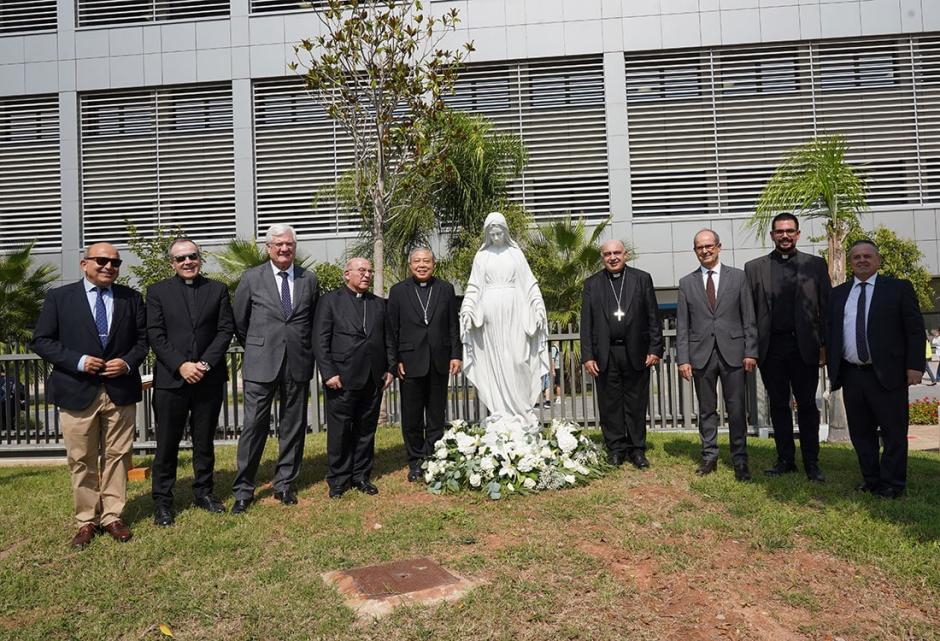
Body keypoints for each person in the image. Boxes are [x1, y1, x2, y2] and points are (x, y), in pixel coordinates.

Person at [31, 243, 148, 548]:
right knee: (81, 458)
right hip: (76, 390)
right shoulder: (60, 298)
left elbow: (143, 341)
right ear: (84, 264)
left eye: (115, 262)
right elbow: (41, 340)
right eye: (101, 260)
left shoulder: (131, 298)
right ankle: (86, 520)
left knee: (118, 456)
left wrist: (127, 362)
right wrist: (79, 361)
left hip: (120, 390)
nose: (109, 266)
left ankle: (112, 516)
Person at [230, 224, 319, 513]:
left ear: (294, 247)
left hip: (297, 362)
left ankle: (284, 484)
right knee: (254, 426)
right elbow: (240, 322)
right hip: (261, 363)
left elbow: (313, 320)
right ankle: (244, 489)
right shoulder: (251, 277)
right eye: (278, 244)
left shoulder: (309, 280)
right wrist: (258, 346)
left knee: (292, 427)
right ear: (268, 247)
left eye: (289, 245)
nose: (284, 249)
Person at [826, 240, 924, 499]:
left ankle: (892, 484)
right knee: (861, 433)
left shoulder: (898, 289)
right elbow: (831, 331)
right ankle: (871, 479)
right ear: (850, 262)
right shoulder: (838, 294)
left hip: (888, 374)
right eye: (856, 257)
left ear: (878, 260)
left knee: (893, 433)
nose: (861, 260)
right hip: (852, 375)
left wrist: (915, 366)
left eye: (867, 256)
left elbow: (914, 330)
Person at [146, 238, 234, 526]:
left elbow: (224, 331)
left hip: (208, 379)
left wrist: (204, 365)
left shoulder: (217, 289)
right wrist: (181, 365)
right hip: (172, 380)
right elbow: (155, 334)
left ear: (200, 258)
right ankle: (163, 501)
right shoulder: (157, 291)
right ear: (172, 263)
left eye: (192, 256)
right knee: (167, 444)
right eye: (181, 258)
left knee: (204, 440)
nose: (187, 262)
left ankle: (204, 492)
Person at [744, 212, 830, 482]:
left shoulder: (815, 265)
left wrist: (825, 345)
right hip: (771, 348)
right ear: (772, 235)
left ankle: (812, 462)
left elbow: (825, 308)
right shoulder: (754, 268)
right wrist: (751, 348)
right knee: (778, 405)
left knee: (806, 405)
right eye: (779, 231)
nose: (784, 235)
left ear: (798, 234)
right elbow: (749, 313)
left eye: (789, 231)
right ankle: (785, 460)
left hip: (804, 347)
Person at [676, 230, 758, 481]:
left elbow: (749, 317)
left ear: (719, 247)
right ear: (695, 251)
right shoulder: (686, 283)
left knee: (736, 409)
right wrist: (683, 359)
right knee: (706, 409)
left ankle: (740, 458)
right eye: (700, 247)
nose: (705, 250)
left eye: (709, 246)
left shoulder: (739, 277)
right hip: (701, 355)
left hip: (734, 354)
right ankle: (709, 455)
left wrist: (750, 351)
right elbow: (682, 325)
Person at [314, 258, 394, 498]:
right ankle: (338, 479)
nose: (367, 275)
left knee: (366, 430)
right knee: (340, 431)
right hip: (341, 377)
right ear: (347, 274)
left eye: (370, 271)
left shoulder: (378, 304)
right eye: (362, 271)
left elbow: (388, 339)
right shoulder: (330, 301)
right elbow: (320, 340)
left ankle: (361, 475)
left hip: (373, 377)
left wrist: (389, 368)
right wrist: (328, 373)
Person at [581, 239, 663, 468]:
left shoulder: (641, 279)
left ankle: (637, 450)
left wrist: (655, 348)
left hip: (636, 352)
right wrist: (587, 355)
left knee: (636, 403)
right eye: (607, 254)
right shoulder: (592, 284)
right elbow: (586, 322)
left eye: (617, 252)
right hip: (605, 353)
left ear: (625, 255)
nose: (612, 257)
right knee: (610, 404)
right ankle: (615, 449)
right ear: (602, 257)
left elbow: (653, 317)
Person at [460, 212, 549, 422]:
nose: (497, 236)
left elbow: (529, 284)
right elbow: (473, 287)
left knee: (518, 359)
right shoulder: (482, 256)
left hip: (515, 312)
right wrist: (468, 309)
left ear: (506, 232)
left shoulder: (515, 254)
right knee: (495, 363)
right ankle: (500, 411)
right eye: (493, 233)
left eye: (500, 232)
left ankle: (522, 409)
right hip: (490, 316)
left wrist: (537, 306)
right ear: (487, 234)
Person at [386, 248, 462, 482]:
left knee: (437, 413)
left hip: (439, 360)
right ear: (410, 265)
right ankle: (416, 460)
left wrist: (456, 355)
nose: (422, 265)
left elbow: (452, 325)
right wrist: (395, 360)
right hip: (409, 362)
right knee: (412, 415)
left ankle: (434, 455)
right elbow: (392, 330)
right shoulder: (398, 291)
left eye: (426, 261)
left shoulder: (446, 289)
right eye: (417, 261)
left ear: (434, 264)